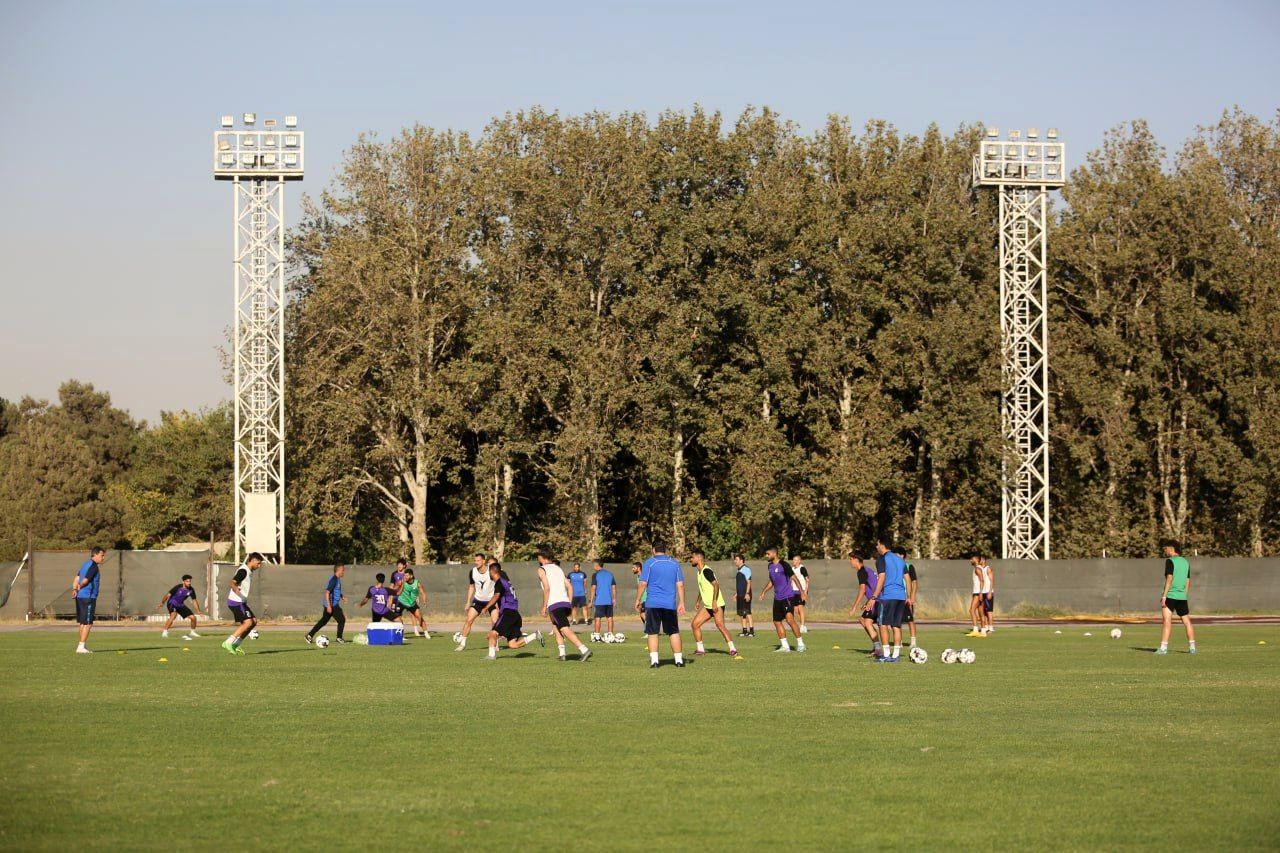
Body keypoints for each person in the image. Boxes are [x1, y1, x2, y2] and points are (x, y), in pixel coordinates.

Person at [637, 541, 686, 668]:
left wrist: (637, 599)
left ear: (653, 549)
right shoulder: (674, 563)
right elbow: (680, 584)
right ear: (665, 549)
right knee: (673, 632)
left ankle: (654, 661)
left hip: (653, 604)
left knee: (653, 632)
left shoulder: (649, 563)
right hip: (669, 604)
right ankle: (679, 661)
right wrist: (682, 602)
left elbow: (643, 583)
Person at [537, 551, 591, 662]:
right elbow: (570, 587)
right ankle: (562, 654)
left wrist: (544, 606)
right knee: (555, 626)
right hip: (564, 602)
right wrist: (569, 602)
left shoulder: (541, 569)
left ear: (542, 558)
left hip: (554, 603)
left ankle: (584, 649)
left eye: (538, 558)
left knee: (564, 628)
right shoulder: (558, 568)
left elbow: (547, 588)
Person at [486, 562, 543, 659]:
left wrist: (486, 607)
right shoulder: (507, 583)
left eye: (489, 571)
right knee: (512, 644)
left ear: (492, 571)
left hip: (508, 613)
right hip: (515, 615)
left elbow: (496, 596)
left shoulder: (499, 582)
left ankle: (491, 656)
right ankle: (534, 636)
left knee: (492, 633)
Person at [690, 549, 738, 657]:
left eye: (692, 557)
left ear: (698, 558)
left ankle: (733, 649)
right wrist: (698, 601)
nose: (691, 560)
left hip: (717, 603)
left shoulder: (707, 571)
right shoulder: (699, 573)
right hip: (708, 605)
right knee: (695, 624)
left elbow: (716, 585)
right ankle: (701, 650)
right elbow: (702, 589)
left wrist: (714, 601)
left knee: (720, 625)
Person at [758, 547, 805, 653]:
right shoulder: (770, 566)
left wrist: (802, 592)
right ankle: (785, 646)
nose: (766, 556)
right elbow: (772, 581)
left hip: (787, 596)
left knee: (789, 620)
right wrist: (764, 592)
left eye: (768, 554)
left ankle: (801, 644)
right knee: (776, 621)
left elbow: (793, 578)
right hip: (777, 598)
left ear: (774, 554)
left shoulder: (784, 564)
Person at [868, 540, 906, 662]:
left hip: (888, 596)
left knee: (883, 624)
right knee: (896, 625)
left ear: (882, 545)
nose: (876, 546)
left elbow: (882, 577)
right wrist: (909, 596)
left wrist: (874, 597)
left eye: (878, 544)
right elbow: (908, 578)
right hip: (901, 596)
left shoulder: (881, 559)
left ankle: (886, 655)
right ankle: (895, 656)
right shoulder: (900, 559)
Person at [1157, 540, 1196, 655]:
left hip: (1171, 595)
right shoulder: (1185, 562)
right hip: (1182, 596)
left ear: (1171, 548)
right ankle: (1192, 647)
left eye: (1166, 548)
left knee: (1167, 621)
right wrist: (1184, 594)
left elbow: (1169, 578)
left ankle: (1163, 648)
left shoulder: (1170, 561)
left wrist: (1164, 596)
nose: (1165, 551)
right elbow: (1188, 581)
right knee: (1187, 621)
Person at [222, 552, 263, 656]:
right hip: (236, 601)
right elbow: (232, 582)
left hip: (241, 601)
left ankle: (236, 644)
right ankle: (228, 642)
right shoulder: (243, 571)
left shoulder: (248, 571)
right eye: (258, 563)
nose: (259, 566)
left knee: (253, 621)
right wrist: (236, 590)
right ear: (253, 560)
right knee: (248, 622)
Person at [456, 553, 498, 650]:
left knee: (495, 622)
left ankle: (495, 645)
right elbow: (471, 586)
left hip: (491, 601)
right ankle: (462, 644)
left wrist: (497, 601)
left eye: (478, 560)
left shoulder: (491, 570)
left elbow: (498, 584)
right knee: (468, 620)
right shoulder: (473, 572)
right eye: (475, 560)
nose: (476, 562)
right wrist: (468, 601)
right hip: (478, 600)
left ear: (484, 561)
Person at [72, 546, 106, 654]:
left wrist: (74, 588)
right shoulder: (93, 566)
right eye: (102, 555)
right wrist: (80, 586)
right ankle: (81, 647)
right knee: (88, 623)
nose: (103, 558)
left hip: (80, 597)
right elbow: (85, 580)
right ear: (95, 555)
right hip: (88, 597)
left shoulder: (85, 564)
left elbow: (77, 577)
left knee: (83, 622)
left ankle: (81, 645)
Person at [848, 552, 881, 658]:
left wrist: (854, 607)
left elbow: (862, 590)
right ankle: (877, 646)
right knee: (863, 620)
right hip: (876, 600)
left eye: (851, 559)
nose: (850, 562)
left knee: (867, 621)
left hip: (877, 600)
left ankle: (878, 648)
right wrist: (866, 603)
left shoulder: (862, 571)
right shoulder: (867, 570)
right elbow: (873, 587)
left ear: (856, 560)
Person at [306, 564, 348, 644]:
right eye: (343, 570)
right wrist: (329, 606)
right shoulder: (334, 579)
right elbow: (327, 592)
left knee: (323, 621)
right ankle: (339, 638)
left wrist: (342, 596)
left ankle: (309, 635)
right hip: (332, 605)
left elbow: (335, 591)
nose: (344, 572)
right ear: (338, 570)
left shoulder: (337, 579)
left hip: (331, 604)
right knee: (341, 620)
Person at [158, 574, 203, 639]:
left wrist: (198, 611)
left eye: (190, 581)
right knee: (173, 615)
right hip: (172, 603)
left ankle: (192, 632)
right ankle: (164, 632)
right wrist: (162, 603)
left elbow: (194, 600)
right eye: (187, 581)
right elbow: (167, 595)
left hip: (180, 604)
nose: (189, 583)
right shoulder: (178, 587)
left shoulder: (191, 590)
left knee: (193, 618)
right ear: (183, 582)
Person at [893, 547, 918, 648]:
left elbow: (914, 583)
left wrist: (911, 597)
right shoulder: (893, 567)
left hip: (906, 598)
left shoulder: (908, 566)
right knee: (897, 621)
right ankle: (900, 642)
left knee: (910, 620)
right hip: (896, 598)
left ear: (902, 555)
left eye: (896, 555)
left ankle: (913, 642)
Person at [397, 568, 430, 638]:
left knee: (419, 617)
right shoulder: (402, 581)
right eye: (404, 575)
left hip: (411, 603)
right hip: (401, 602)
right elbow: (395, 588)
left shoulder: (417, 584)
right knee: (397, 618)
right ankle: (401, 635)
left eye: (407, 576)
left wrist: (424, 601)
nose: (405, 577)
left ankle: (426, 633)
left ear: (411, 576)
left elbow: (423, 593)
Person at [589, 560, 617, 641]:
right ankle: (610, 635)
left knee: (597, 618)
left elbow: (593, 588)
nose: (593, 567)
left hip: (599, 600)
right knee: (610, 618)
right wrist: (614, 599)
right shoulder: (610, 574)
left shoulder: (595, 575)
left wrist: (591, 601)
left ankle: (597, 636)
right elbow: (614, 587)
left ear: (597, 566)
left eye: (594, 565)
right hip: (609, 600)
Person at [733, 554, 754, 637]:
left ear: (741, 560)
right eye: (735, 560)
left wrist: (747, 593)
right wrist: (736, 594)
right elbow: (740, 584)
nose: (735, 561)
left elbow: (749, 582)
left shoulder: (746, 569)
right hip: (740, 595)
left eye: (736, 559)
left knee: (747, 612)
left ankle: (751, 631)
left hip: (746, 594)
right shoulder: (738, 570)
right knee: (742, 613)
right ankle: (744, 631)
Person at [790, 554, 811, 634]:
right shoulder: (792, 569)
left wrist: (805, 591)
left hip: (801, 591)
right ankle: (802, 624)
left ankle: (802, 626)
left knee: (800, 608)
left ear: (799, 561)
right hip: (793, 591)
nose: (794, 561)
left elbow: (807, 580)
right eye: (793, 560)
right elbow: (791, 580)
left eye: (795, 560)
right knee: (795, 609)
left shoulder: (802, 568)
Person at [966, 555, 986, 638]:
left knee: (971, 610)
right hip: (978, 592)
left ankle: (975, 630)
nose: (970, 560)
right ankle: (983, 631)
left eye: (972, 559)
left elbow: (982, 580)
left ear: (977, 560)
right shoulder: (978, 568)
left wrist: (980, 593)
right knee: (981, 612)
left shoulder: (977, 569)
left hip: (978, 593)